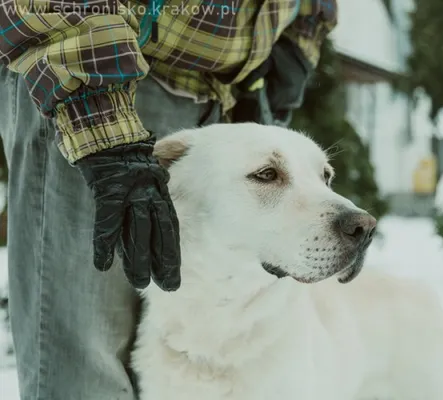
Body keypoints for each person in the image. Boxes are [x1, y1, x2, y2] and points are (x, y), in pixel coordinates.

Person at [0, 0, 337, 398]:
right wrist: (101, 123)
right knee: (88, 367)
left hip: (222, 92)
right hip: (95, 70)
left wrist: (300, 34)